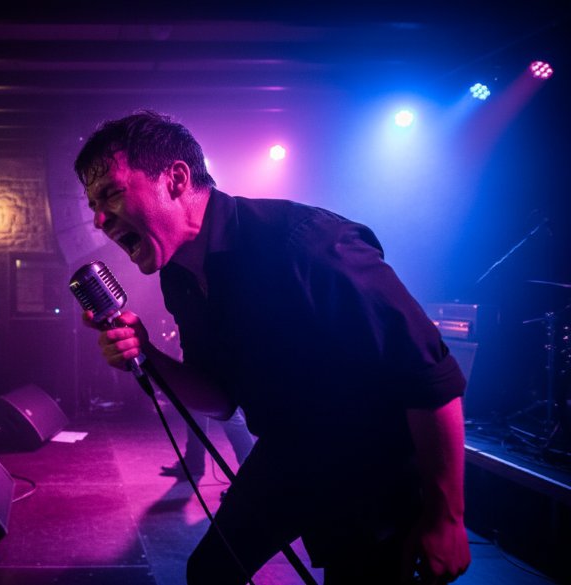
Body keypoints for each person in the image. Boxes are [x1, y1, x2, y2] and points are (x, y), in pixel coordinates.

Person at [76, 111, 470, 585]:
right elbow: (220, 399)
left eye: (111, 193)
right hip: (291, 450)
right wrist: (147, 355)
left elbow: (431, 374)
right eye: (94, 203)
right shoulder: (178, 275)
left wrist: (447, 519)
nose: (99, 220)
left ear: (176, 179)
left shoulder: (306, 243)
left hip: (375, 463)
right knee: (210, 572)